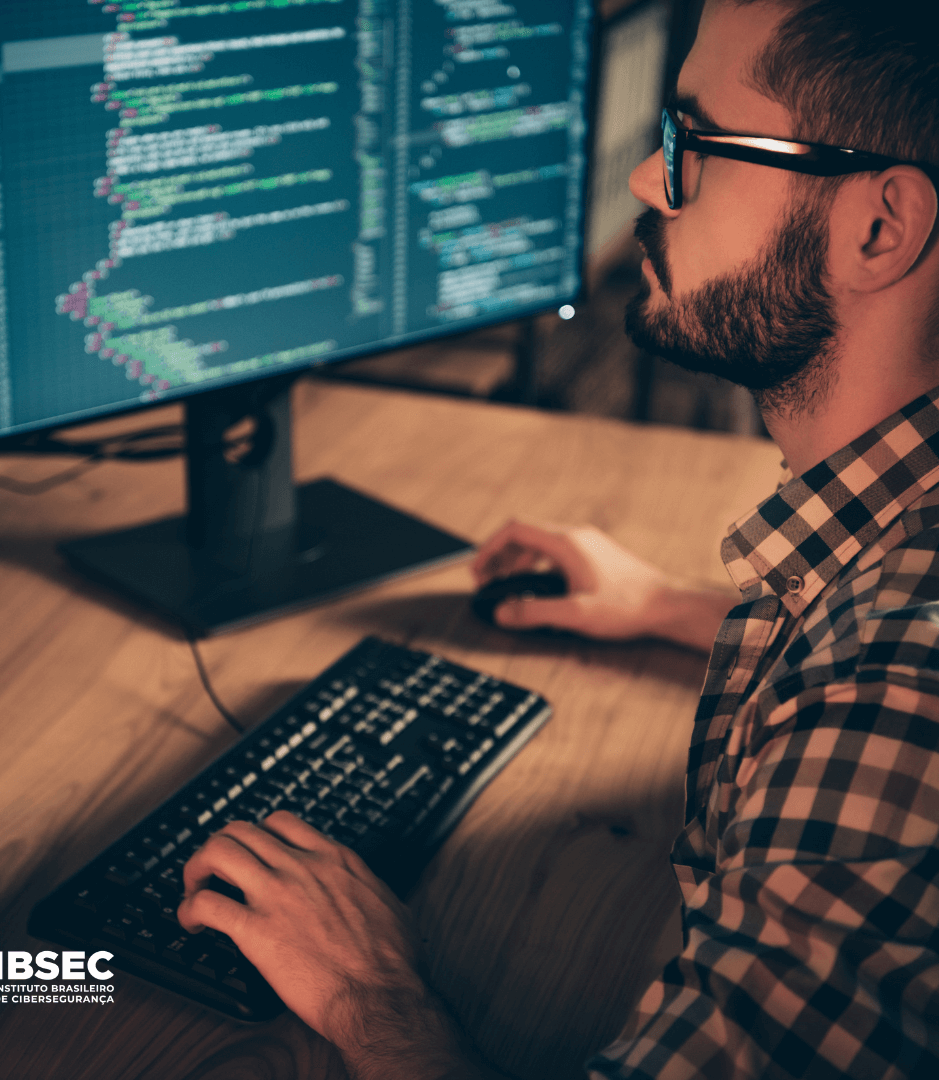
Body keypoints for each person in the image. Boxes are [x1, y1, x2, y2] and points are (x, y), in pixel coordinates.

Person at [178, 0, 939, 1075]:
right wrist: (666, 607)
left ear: (880, 228)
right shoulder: (891, 560)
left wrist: (370, 995)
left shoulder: (896, 692)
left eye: (694, 144)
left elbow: (882, 699)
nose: (645, 180)